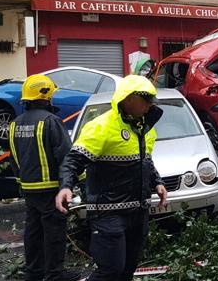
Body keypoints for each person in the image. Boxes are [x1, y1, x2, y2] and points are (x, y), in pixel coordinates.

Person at [56, 75, 168, 280]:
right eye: (146, 100)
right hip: (108, 213)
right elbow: (73, 161)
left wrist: (157, 182)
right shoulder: (101, 126)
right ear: (129, 98)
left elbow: (145, 161)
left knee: (127, 269)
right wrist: (66, 186)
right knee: (110, 270)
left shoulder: (145, 128)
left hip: (138, 211)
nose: (150, 105)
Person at [8, 75, 80, 281]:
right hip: (51, 189)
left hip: (28, 188)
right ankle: (55, 273)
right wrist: (75, 181)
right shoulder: (51, 121)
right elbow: (66, 155)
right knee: (54, 231)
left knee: (33, 231)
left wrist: (23, 182)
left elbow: (14, 158)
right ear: (45, 95)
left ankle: (33, 271)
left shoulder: (15, 124)